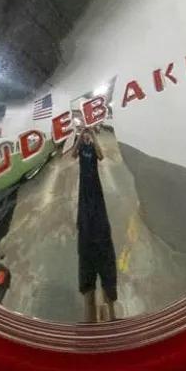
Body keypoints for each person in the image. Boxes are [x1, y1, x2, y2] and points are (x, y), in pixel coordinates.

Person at [73, 127, 119, 323]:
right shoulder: (81, 147)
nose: (86, 138)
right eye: (84, 136)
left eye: (87, 136)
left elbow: (101, 157)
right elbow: (73, 155)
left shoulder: (92, 148)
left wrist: (94, 138)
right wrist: (78, 138)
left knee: (96, 210)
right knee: (86, 212)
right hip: (85, 187)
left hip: (95, 186)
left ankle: (111, 313)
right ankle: (94, 318)